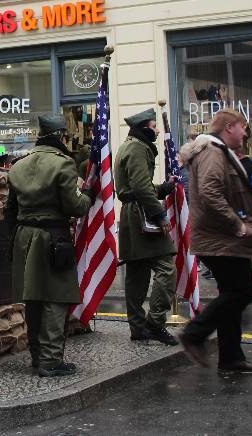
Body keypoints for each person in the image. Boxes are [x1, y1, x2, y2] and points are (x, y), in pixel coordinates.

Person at [178, 109, 252, 374]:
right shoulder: (213, 153)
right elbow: (209, 191)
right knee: (241, 292)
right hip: (220, 239)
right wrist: (237, 223)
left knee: (233, 294)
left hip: (222, 239)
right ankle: (194, 334)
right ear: (229, 127)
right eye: (243, 127)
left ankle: (231, 358)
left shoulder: (219, 153)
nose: (245, 133)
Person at [7, 115, 92, 377]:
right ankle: (51, 360)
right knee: (57, 298)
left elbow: (10, 210)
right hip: (54, 237)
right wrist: (87, 196)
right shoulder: (63, 164)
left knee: (33, 299)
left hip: (24, 237)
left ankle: (37, 356)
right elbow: (74, 205)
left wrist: (15, 240)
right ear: (59, 137)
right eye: (65, 136)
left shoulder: (17, 167)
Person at [114, 108, 178, 346]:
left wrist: (162, 189)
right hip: (142, 215)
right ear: (143, 128)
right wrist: (160, 214)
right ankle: (155, 323)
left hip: (131, 214)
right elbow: (140, 188)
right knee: (166, 268)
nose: (157, 130)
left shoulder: (127, 146)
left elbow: (135, 186)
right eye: (153, 126)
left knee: (137, 275)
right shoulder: (139, 148)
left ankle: (138, 327)